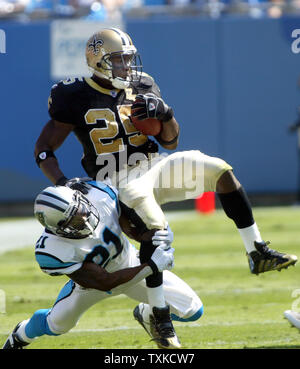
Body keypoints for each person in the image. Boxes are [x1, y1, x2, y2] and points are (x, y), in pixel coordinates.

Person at [34, 27, 297, 347]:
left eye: (128, 60)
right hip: (114, 183)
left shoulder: (142, 84)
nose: (126, 67)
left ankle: (256, 250)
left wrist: (166, 114)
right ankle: (158, 315)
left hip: (154, 166)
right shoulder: (71, 94)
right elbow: (44, 149)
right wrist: (62, 183)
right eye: (118, 61)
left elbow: (171, 141)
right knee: (155, 230)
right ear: (98, 62)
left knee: (220, 171)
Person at [2, 180, 203, 349]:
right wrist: (151, 266)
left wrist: (157, 232)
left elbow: (131, 224)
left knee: (192, 310)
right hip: (91, 287)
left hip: (131, 261)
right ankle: (20, 336)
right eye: (74, 220)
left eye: (80, 209)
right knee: (57, 324)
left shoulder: (99, 194)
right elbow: (105, 282)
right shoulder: (52, 250)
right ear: (58, 229)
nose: (83, 217)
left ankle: (145, 313)